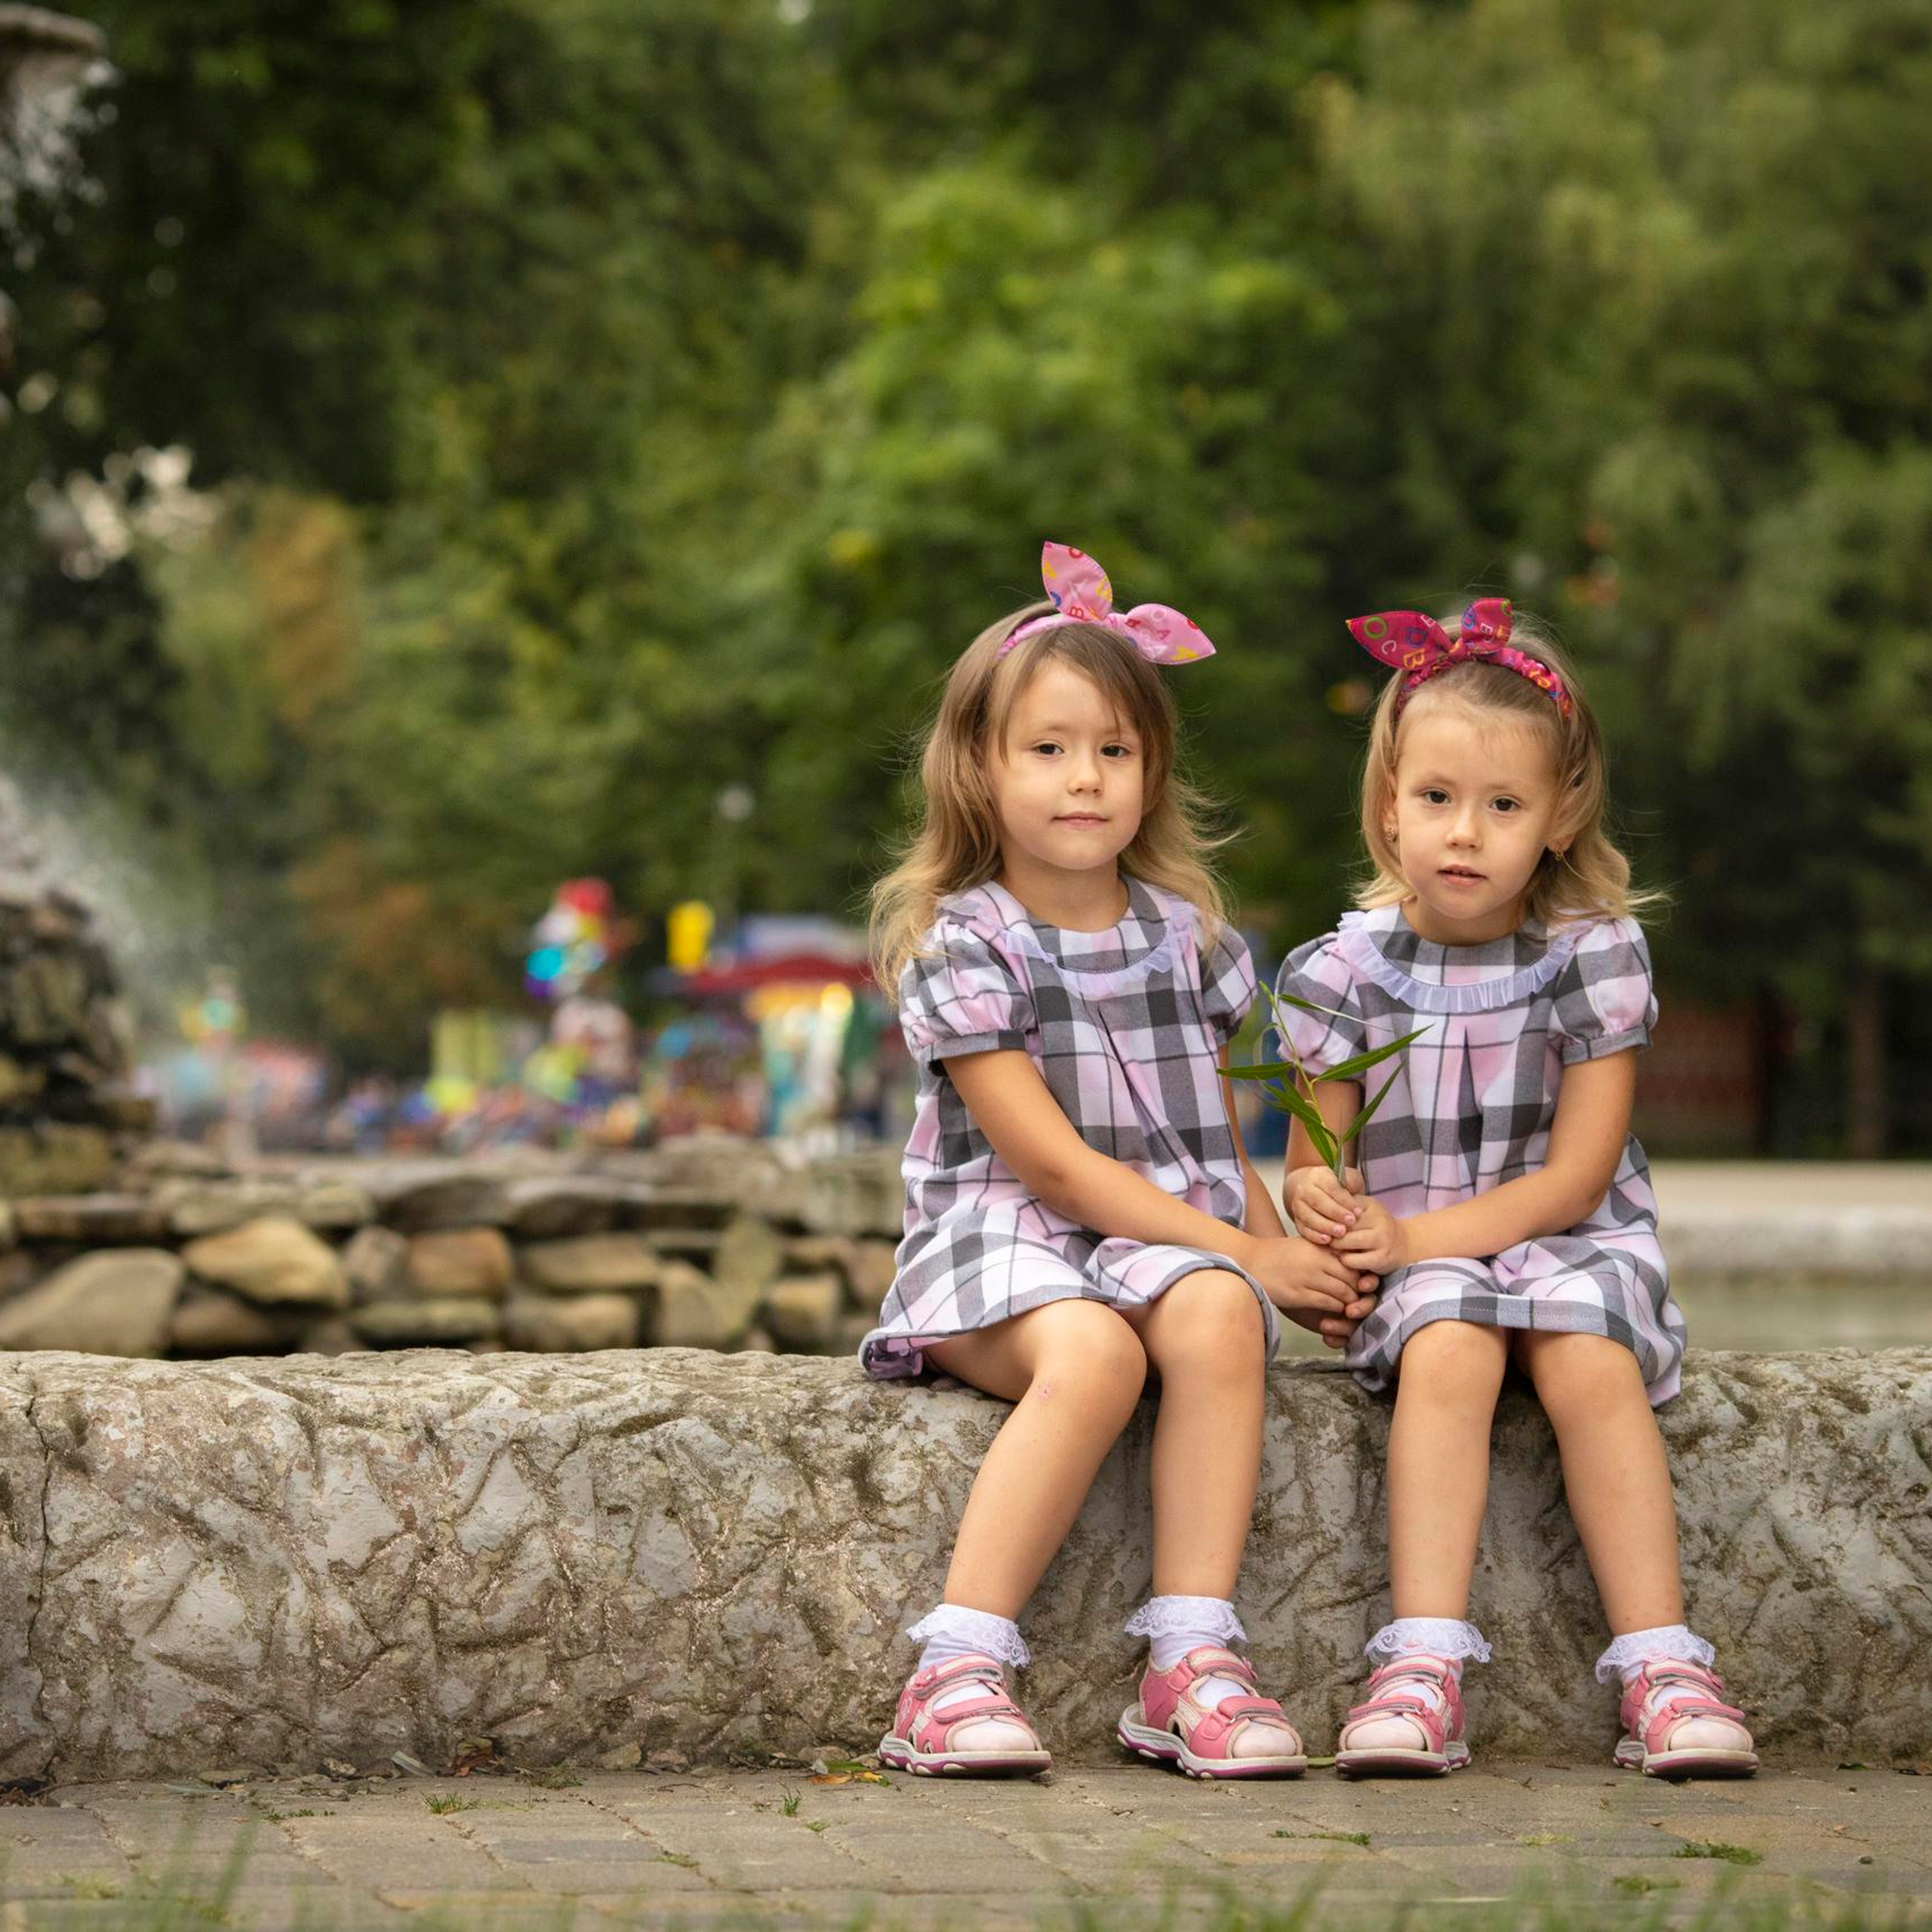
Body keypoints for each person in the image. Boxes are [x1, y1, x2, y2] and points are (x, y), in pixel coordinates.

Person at [860, 543, 1378, 1780]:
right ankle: (954, 1670)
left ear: (1153, 771)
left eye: (1114, 749)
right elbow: (1052, 1171)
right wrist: (1246, 1248)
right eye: (1047, 748)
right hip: (1004, 1245)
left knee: (1220, 1315)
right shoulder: (966, 945)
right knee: (1095, 1351)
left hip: (1159, 1238)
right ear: (979, 769)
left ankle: (1189, 1660)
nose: (1084, 777)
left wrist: (1283, 1262)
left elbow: (1210, 1134)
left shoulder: (1188, 938)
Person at [1275, 598, 1757, 1780]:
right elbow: (1313, 1158)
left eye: (1504, 806)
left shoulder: (1588, 954)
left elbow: (1580, 1175)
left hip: (1568, 1235)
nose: (1465, 832)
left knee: (1589, 1356)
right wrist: (1326, 1211)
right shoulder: (1340, 972)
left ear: (1560, 817)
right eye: (1437, 797)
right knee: (1450, 1349)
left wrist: (1415, 1236)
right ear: (1389, 802)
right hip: (1420, 1259)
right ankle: (1422, 1664)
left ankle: (1662, 1665)